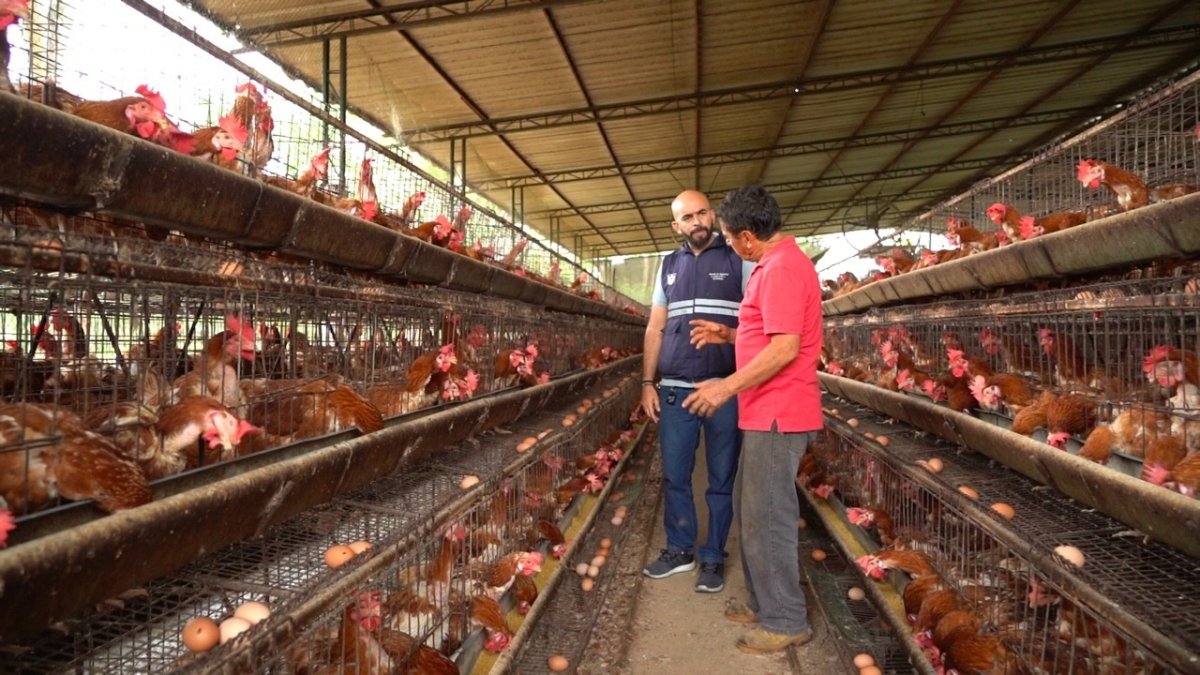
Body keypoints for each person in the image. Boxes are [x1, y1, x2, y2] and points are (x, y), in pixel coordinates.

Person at [682, 184, 823, 654]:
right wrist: (732, 332)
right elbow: (770, 331)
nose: (729, 246)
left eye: (729, 238)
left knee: (770, 518)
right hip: (764, 412)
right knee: (752, 509)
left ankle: (785, 619)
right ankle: (765, 603)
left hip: (779, 413)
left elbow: (786, 348)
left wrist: (725, 386)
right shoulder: (774, 264)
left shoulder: (781, 268)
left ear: (746, 237)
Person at [641, 189, 755, 593]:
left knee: (721, 479)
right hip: (674, 390)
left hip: (723, 390)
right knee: (675, 475)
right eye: (687, 217)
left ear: (713, 214)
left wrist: (735, 378)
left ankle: (712, 557)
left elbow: (757, 324)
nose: (697, 222)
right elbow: (655, 327)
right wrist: (646, 383)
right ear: (677, 225)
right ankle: (679, 549)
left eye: (702, 213)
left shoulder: (738, 259)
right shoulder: (668, 265)